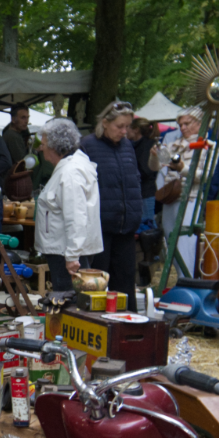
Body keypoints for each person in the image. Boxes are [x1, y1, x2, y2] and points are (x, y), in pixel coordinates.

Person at [80, 100, 141, 306]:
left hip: (126, 226)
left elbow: (135, 178)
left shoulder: (127, 146)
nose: (124, 131)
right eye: (119, 126)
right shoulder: (87, 145)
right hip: (100, 228)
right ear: (105, 123)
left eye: (127, 126)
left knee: (125, 282)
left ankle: (127, 320)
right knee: (97, 283)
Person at [34, 118, 102, 291]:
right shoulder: (72, 167)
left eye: (44, 144)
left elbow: (76, 216)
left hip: (65, 250)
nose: (41, 148)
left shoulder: (70, 172)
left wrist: (72, 256)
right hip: (67, 248)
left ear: (55, 146)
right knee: (74, 296)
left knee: (68, 296)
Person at [156, 107, 206, 274]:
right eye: (180, 124)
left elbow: (204, 175)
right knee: (171, 242)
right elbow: (159, 167)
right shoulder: (172, 144)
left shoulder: (208, 146)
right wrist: (154, 155)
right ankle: (181, 279)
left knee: (185, 244)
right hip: (170, 198)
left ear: (199, 123)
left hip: (189, 199)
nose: (182, 128)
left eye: (187, 123)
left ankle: (188, 280)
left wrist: (183, 169)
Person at [129, 117, 161, 233]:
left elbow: (147, 170)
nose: (125, 131)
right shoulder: (135, 145)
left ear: (136, 130)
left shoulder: (147, 145)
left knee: (148, 224)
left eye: (127, 127)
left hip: (146, 191)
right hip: (140, 191)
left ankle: (155, 243)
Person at [0, 106, 32, 172]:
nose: (26, 121)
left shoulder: (14, 133)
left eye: (27, 117)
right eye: (23, 118)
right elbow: (22, 163)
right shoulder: (12, 136)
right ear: (13, 119)